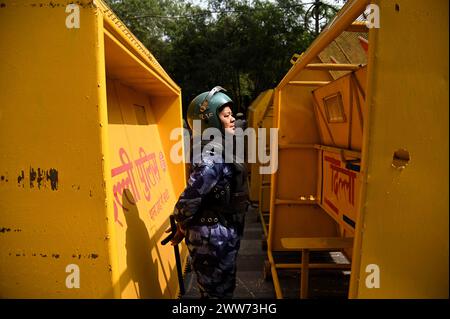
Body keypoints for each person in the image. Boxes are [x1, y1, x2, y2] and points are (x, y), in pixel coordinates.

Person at [170, 86, 249, 299]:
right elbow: (190, 198)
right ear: (209, 121)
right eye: (226, 115)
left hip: (220, 233)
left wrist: (182, 222)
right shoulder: (212, 155)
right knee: (216, 294)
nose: (232, 119)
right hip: (212, 239)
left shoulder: (221, 148)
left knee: (221, 292)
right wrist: (180, 220)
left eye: (231, 114)